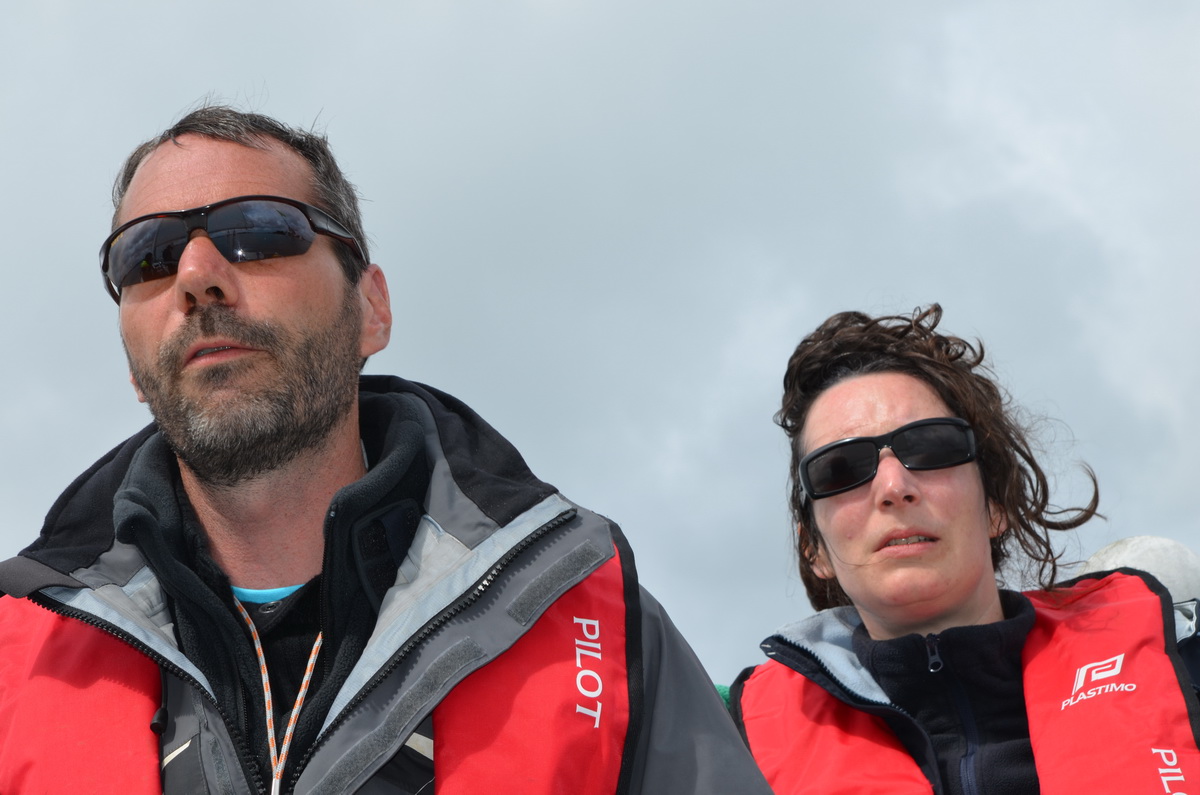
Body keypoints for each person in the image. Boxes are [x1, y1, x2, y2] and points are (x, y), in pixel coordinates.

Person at [0, 105, 771, 795]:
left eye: (258, 232)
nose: (198, 277)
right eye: (147, 256)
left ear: (371, 306)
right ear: (134, 365)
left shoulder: (591, 621)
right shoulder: (14, 657)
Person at [730, 306, 1200, 794]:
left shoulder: (1182, 665)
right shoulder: (735, 751)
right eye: (841, 468)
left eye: (930, 447)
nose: (894, 487)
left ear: (997, 504)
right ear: (814, 549)